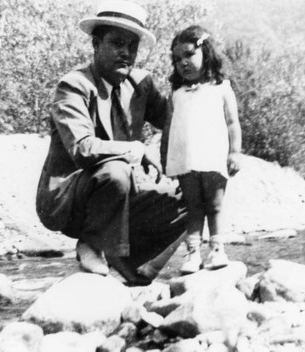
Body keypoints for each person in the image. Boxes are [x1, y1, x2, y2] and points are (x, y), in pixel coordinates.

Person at [35, 0, 187, 285]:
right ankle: (91, 243)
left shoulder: (141, 85)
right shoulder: (74, 85)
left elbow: (176, 121)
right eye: (117, 43)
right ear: (96, 43)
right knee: (116, 171)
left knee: (193, 191)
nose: (126, 53)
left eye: (132, 46)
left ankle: (135, 267)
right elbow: (82, 148)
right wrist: (136, 149)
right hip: (70, 198)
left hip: (121, 192)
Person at [161, 25, 242, 275]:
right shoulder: (176, 93)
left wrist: (235, 152)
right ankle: (193, 253)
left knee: (215, 204)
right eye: (177, 59)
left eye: (188, 55)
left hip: (213, 156)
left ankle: (217, 249)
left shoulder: (221, 88)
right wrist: (166, 157)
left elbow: (232, 123)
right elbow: (168, 127)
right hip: (186, 159)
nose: (183, 63)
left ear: (206, 53)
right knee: (193, 206)